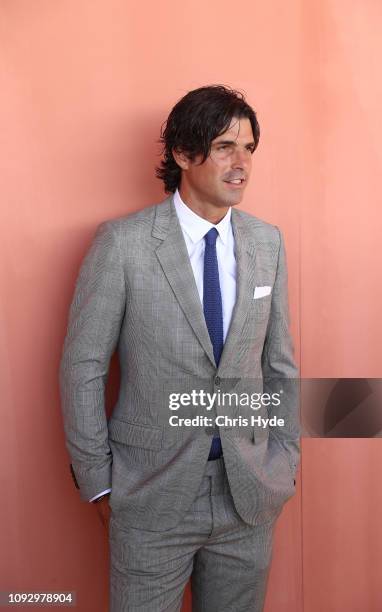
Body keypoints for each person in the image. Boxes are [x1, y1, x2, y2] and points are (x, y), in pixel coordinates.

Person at [59, 84, 300, 612]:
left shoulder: (267, 243)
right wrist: (99, 486)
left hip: (249, 497)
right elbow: (83, 369)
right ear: (183, 154)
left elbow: (278, 365)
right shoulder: (121, 244)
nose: (242, 164)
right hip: (150, 497)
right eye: (224, 147)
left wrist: (284, 462)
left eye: (249, 149)